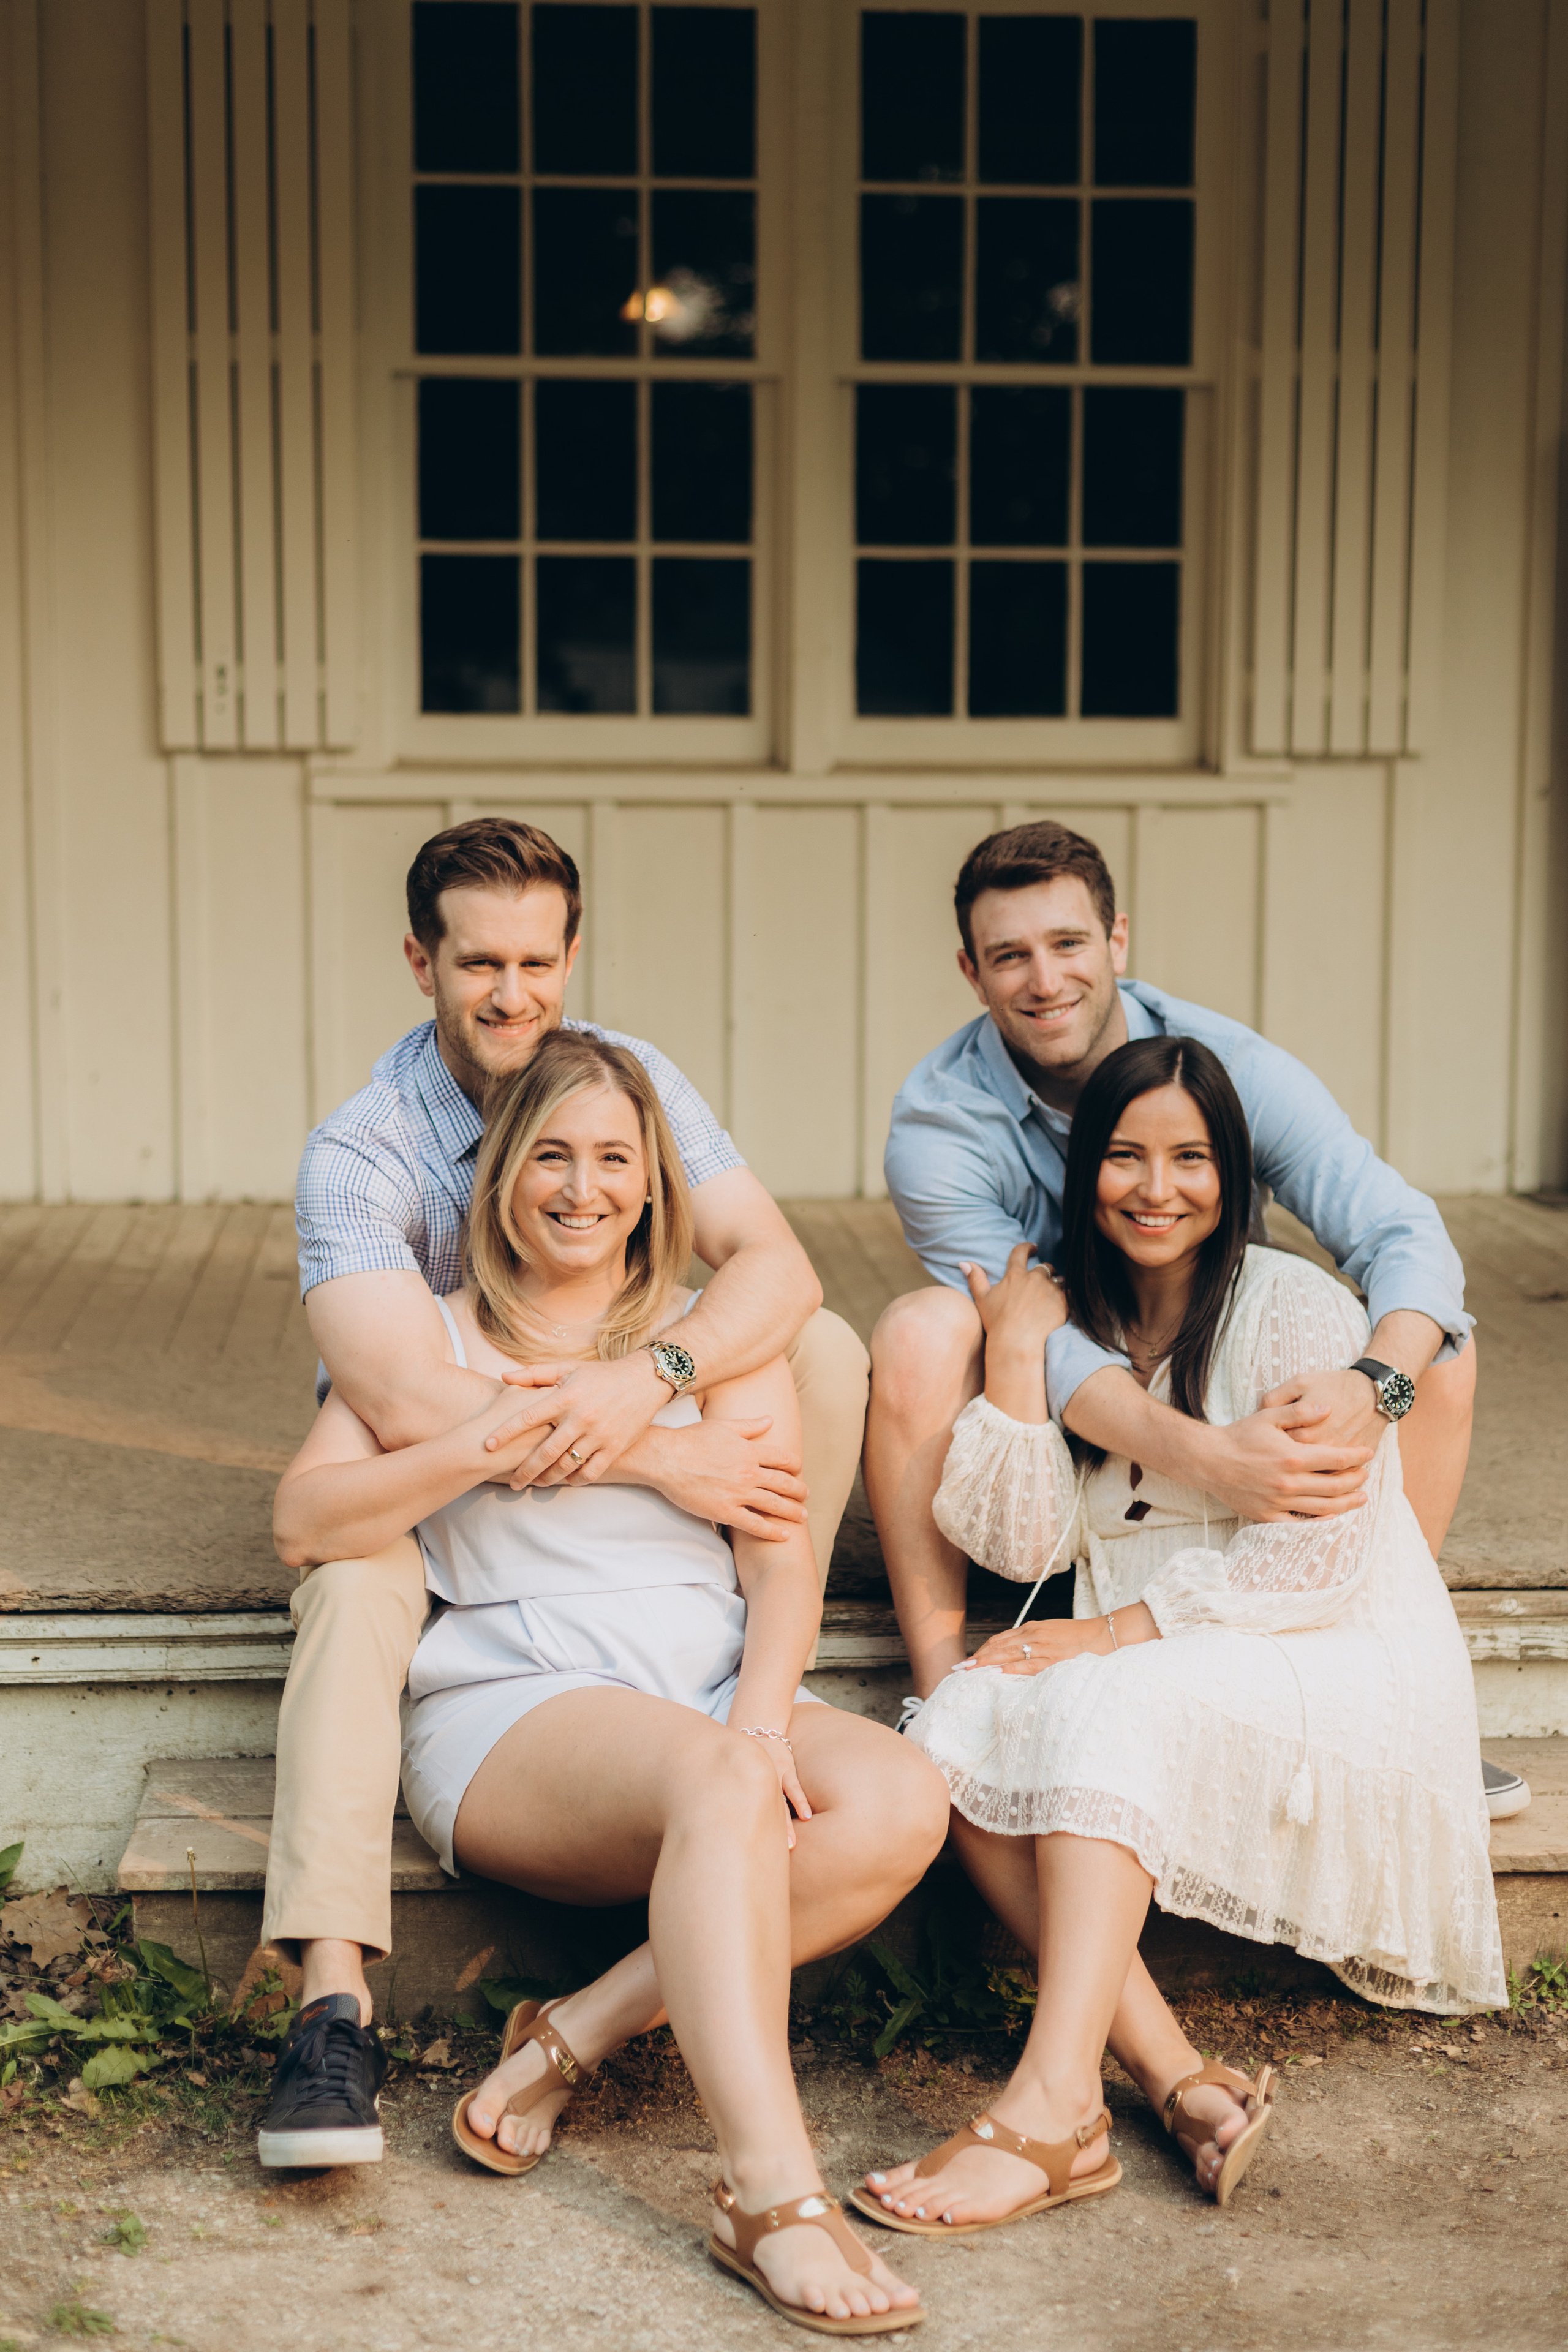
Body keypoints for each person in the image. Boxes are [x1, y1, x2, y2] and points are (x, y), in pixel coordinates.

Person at [274, 1031, 948, 2334]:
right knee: (719, 1781)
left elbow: (783, 1566)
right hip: (519, 1707)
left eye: (612, 1160)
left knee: (900, 1799)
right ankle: (770, 2194)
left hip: (703, 1691)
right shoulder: (429, 1345)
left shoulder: (705, 1346)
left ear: (652, 1185)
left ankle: (573, 2032)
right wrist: (484, 1437)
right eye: (549, 1157)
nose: (581, 1188)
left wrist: (765, 1720)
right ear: (498, 1178)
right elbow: (304, 1522)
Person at [257, 818, 872, 2169]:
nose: (510, 994)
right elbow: (410, 1396)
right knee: (351, 1584)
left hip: (609, 1395)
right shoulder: (361, 1151)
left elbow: (776, 1266)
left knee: (816, 1348)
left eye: (537, 962)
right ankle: (332, 2000)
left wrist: (657, 1375)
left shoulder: (625, 1078)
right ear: (420, 960)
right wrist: (663, 1452)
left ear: (571, 954)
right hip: (438, 1440)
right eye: (479, 963)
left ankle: (760, 1624)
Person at [851, 1036, 1504, 2242]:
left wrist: (1109, 1633)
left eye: (1191, 1159)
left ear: (1232, 1173)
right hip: (1169, 1656)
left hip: (1329, 1649)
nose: (1156, 1189)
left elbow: (1320, 1561)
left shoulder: (1295, 1308)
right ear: (1083, 1171)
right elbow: (1019, 1542)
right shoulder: (1078, 1319)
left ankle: (1050, 2104)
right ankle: (1173, 2078)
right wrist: (1013, 1356)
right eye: (1125, 1157)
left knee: (1104, 1696)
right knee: (956, 1723)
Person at [868, 819, 1479, 1707]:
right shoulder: (940, 1126)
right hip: (1054, 1393)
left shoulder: (1230, 1066)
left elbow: (1401, 1231)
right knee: (920, 1331)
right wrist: (1215, 1461)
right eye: (1010, 956)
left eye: (1068, 943)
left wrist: (1374, 1382)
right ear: (972, 971)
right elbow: (1048, 1345)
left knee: (1439, 1357)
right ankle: (939, 1702)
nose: (1046, 981)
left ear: (1116, 939)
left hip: (1211, 1364)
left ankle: (1386, 1663)